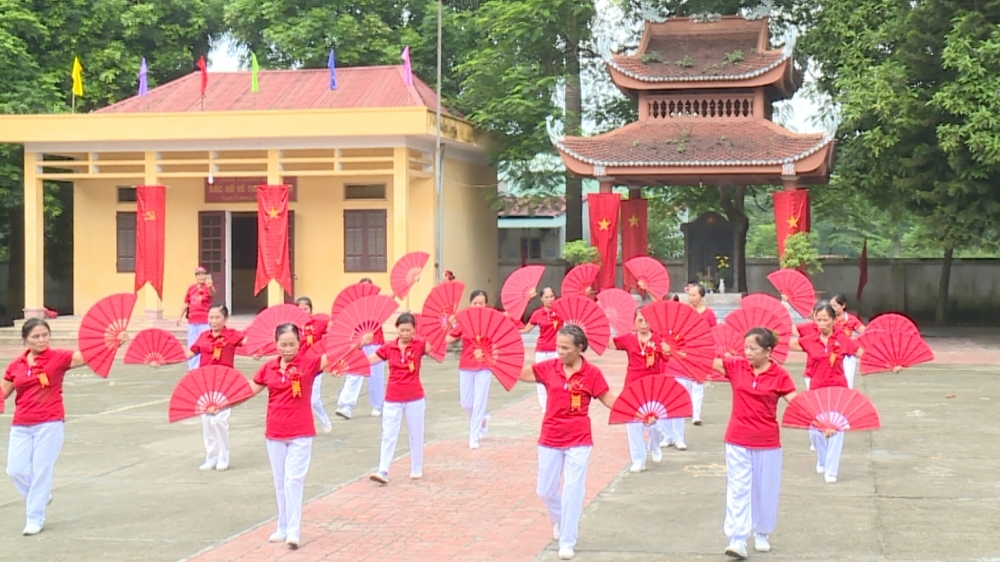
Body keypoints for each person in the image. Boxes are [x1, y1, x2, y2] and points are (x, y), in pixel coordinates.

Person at [519, 324, 615, 561]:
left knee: (573, 490)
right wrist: (493, 361)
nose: (560, 352)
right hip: (550, 437)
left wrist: (637, 413)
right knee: (545, 490)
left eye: (565, 348)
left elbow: (608, 398)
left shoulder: (591, 374)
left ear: (580, 348)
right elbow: (522, 374)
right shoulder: (549, 368)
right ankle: (560, 519)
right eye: (558, 347)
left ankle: (567, 540)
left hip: (579, 439)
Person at [707, 328, 797, 560]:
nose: (747, 353)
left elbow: (795, 402)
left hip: (767, 441)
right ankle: (737, 539)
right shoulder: (736, 366)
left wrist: (820, 421)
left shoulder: (780, 375)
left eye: (753, 349)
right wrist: (676, 352)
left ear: (768, 351)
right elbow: (707, 361)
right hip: (737, 438)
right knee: (738, 488)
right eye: (745, 347)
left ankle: (762, 532)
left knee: (765, 489)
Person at [247, 323, 339, 550]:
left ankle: (294, 531)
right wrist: (222, 404)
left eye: (292, 344)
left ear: (300, 343)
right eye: (283, 344)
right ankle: (283, 525)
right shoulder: (268, 368)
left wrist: (358, 343)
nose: (288, 349)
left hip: (301, 433)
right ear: (275, 343)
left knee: (293, 480)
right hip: (275, 432)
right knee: (280, 481)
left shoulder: (309, 364)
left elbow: (336, 354)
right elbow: (249, 390)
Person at [1, 318, 94, 535]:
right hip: (21, 423)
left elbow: (87, 357)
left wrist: (112, 343)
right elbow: (4, 390)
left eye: (45, 335)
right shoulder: (16, 365)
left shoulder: (59, 357)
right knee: (15, 469)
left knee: (42, 471)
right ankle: (41, 496)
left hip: (49, 422)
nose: (42, 340)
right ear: (25, 340)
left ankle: (35, 518)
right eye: (36, 336)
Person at [791, 302, 864, 484]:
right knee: (816, 430)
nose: (822, 324)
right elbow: (783, 343)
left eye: (825, 320)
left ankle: (832, 471)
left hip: (838, 389)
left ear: (833, 320)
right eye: (818, 320)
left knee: (837, 429)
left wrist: (889, 364)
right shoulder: (809, 340)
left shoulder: (842, 340)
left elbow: (863, 353)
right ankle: (822, 459)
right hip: (816, 390)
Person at [365, 313, 439, 484]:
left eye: (408, 330)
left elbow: (436, 345)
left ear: (414, 330)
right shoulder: (388, 348)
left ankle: (416, 467)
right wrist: (359, 345)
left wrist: (444, 326)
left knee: (416, 433)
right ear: (396, 329)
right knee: (388, 434)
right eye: (402, 330)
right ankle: (383, 470)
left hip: (415, 397)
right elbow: (369, 361)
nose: (405, 333)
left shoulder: (420, 346)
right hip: (392, 397)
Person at [184, 304, 245, 471]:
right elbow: (188, 354)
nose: (213, 321)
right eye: (210, 317)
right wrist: (164, 360)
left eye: (217, 317)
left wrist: (259, 349)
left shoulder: (232, 335)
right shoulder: (204, 336)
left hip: (225, 383)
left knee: (219, 420)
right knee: (206, 421)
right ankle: (211, 456)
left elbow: (249, 343)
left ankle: (224, 455)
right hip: (205, 383)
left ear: (225, 319)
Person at [608, 310, 669, 472]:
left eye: (646, 321)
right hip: (633, 386)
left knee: (655, 423)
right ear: (634, 322)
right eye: (640, 320)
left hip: (652, 385)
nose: (643, 324)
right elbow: (610, 343)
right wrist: (608, 325)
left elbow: (667, 357)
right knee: (633, 423)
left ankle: (655, 444)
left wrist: (666, 349)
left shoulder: (657, 340)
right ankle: (638, 460)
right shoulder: (629, 339)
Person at [445, 290, 493, 449]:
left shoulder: (491, 320)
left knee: (479, 402)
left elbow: (502, 334)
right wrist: (448, 324)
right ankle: (483, 421)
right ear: (470, 304)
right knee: (466, 403)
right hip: (466, 365)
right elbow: (448, 339)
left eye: (481, 303)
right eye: (475, 303)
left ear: (486, 305)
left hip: (484, 365)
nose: (478, 306)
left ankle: (474, 437)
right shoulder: (463, 322)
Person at [335, 278, 387, 419]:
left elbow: (391, 300)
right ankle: (346, 406)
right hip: (359, 344)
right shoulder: (354, 308)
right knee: (354, 373)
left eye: (369, 288)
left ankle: (377, 406)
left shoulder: (378, 305)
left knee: (376, 376)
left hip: (376, 344)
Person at [520, 287, 561, 412]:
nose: (549, 299)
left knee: (556, 377)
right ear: (542, 299)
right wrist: (510, 331)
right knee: (541, 377)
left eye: (551, 296)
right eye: (546, 297)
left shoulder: (560, 311)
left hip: (556, 350)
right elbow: (527, 329)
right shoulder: (537, 314)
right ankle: (544, 405)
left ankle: (555, 403)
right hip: (542, 350)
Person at [296, 297, 332, 433]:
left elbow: (332, 327)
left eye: (306, 308)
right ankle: (303, 425)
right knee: (298, 397)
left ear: (311, 310)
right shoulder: (293, 327)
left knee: (314, 399)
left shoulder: (319, 323)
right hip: (298, 366)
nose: (303, 312)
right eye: (300, 309)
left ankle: (325, 421)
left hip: (315, 364)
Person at [685, 283, 717, 425]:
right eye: (690, 295)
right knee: (686, 383)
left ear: (701, 296)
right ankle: (687, 409)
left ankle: (696, 414)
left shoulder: (709, 314)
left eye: (694, 295)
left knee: (698, 382)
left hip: (702, 351)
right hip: (686, 350)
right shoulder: (685, 311)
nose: (691, 298)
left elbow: (714, 333)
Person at [178, 266, 215, 370]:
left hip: (204, 321)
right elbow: (186, 303)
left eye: (203, 274)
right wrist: (179, 317)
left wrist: (210, 287)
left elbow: (213, 294)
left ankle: (205, 365)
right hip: (192, 321)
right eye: (198, 274)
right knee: (193, 344)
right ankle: (193, 367)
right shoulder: (191, 288)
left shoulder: (208, 287)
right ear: (196, 276)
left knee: (205, 344)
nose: (201, 277)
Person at [830, 293, 866, 389]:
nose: (832, 308)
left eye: (835, 306)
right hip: (831, 353)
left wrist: (854, 342)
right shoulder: (829, 319)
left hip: (847, 354)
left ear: (843, 306)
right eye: (831, 306)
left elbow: (865, 332)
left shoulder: (851, 319)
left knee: (847, 381)